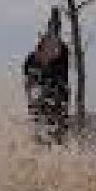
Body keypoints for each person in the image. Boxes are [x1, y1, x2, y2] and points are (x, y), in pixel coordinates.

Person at [24, 7, 70, 144]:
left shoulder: (63, 51)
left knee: (57, 137)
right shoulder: (36, 54)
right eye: (53, 26)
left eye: (57, 26)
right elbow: (28, 75)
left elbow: (63, 78)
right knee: (41, 134)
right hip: (42, 101)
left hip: (57, 100)